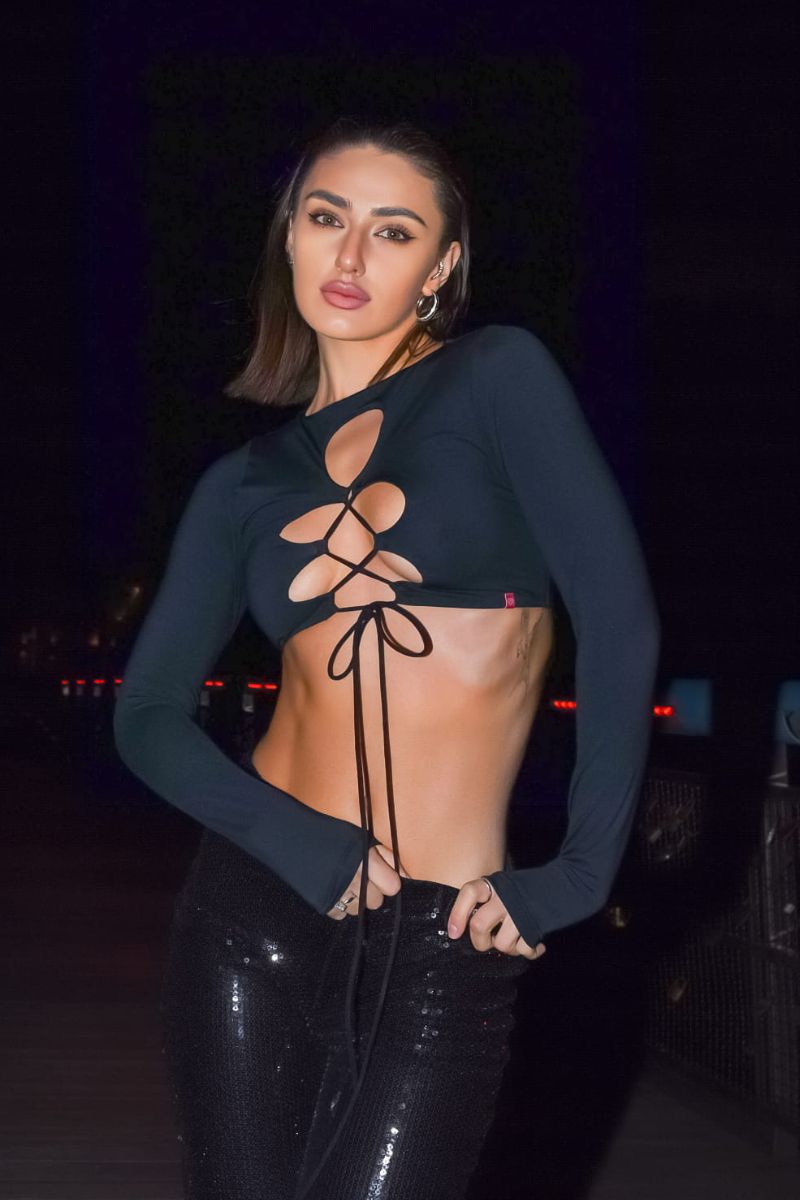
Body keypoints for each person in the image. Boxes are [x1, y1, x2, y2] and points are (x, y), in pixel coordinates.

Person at [113, 117, 660, 1200]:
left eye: (393, 230)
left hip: (447, 933)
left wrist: (580, 874)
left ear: (440, 266)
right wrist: (289, 838)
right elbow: (147, 714)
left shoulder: (496, 376)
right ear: (290, 236)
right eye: (327, 218)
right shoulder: (241, 481)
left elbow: (619, 618)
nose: (352, 254)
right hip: (257, 903)